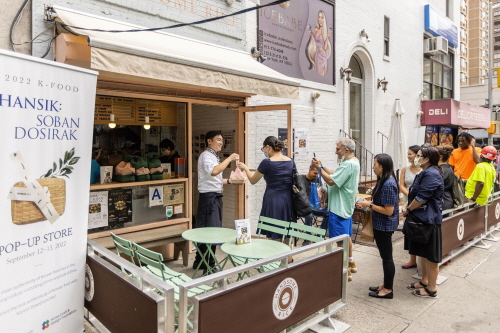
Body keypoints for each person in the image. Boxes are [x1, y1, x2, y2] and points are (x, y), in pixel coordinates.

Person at [312, 138, 360, 281]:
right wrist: (323, 166)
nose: (335, 151)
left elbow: (331, 180)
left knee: (340, 241)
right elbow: (335, 174)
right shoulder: (353, 162)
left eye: (338, 149)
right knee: (347, 237)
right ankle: (351, 262)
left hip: (339, 208)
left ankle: (344, 271)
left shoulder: (347, 165)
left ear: (346, 149)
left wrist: (319, 169)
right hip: (346, 207)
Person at [193, 130, 239, 274]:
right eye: (218, 139)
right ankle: (209, 265)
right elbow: (214, 172)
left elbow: (215, 179)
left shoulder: (213, 156)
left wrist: (231, 181)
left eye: (222, 140)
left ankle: (199, 261)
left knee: (206, 230)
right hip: (209, 199)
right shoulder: (206, 156)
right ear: (209, 141)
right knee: (211, 232)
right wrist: (230, 158)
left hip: (213, 197)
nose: (221, 142)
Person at [356, 154, 399, 299]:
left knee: (387, 258)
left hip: (385, 226)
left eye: (375, 164)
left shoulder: (388, 184)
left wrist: (369, 204)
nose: (373, 167)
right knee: (385, 257)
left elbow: (388, 210)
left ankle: (388, 290)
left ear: (382, 166)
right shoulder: (383, 181)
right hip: (381, 224)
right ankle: (385, 285)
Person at [403, 146, 444, 298]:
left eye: (419, 156)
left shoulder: (431, 174)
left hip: (429, 220)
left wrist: (408, 209)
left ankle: (431, 289)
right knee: (424, 254)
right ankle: (424, 281)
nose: (416, 158)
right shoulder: (426, 172)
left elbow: (422, 197)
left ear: (426, 159)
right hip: (422, 219)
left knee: (431, 256)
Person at [238, 136, 295, 242]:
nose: (263, 151)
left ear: (268, 147)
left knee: (273, 232)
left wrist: (246, 168)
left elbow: (253, 180)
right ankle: (288, 258)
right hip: (288, 199)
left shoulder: (267, 162)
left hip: (272, 199)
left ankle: (275, 257)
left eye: (263, 148)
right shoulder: (290, 161)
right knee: (287, 232)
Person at [399, 145, 422, 269]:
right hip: (407, 201)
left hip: (420, 203)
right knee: (409, 230)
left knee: (419, 230)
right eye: (407, 154)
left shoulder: (423, 170)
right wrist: (410, 195)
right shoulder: (405, 169)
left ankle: (421, 259)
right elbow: (401, 185)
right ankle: (412, 259)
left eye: (410, 154)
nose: (408, 156)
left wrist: (415, 198)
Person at [297, 164, 321, 246]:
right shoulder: (301, 179)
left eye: (317, 174)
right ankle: (308, 237)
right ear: (309, 170)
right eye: (315, 173)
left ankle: (319, 235)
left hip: (315, 206)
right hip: (303, 206)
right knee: (309, 215)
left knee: (329, 214)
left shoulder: (317, 181)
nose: (316, 175)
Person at [305, 10, 333, 76]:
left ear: (324, 20)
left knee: (323, 73)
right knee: (318, 73)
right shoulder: (316, 29)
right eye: (319, 17)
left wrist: (327, 37)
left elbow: (325, 48)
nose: (320, 19)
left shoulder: (325, 33)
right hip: (318, 54)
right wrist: (310, 32)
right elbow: (314, 39)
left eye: (322, 17)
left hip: (323, 55)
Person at [436, 145, 455, 210]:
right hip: (446, 199)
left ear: (440, 157)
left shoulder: (442, 170)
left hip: (442, 201)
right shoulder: (448, 168)